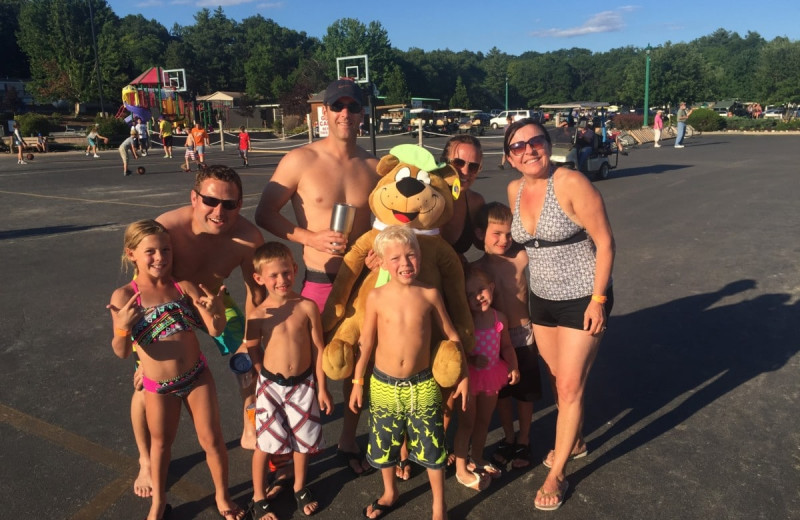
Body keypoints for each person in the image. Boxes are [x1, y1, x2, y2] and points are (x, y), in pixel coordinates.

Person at [255, 78, 379, 476]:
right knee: (300, 367)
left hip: (361, 281)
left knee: (358, 362)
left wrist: (381, 248)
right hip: (317, 281)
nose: (346, 113)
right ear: (324, 112)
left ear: (363, 113)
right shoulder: (300, 159)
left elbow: (389, 220)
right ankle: (285, 448)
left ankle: (346, 438)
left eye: (354, 106)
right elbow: (266, 213)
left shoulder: (375, 166)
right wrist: (311, 236)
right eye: (338, 106)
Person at [127, 166, 265, 499]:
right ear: (194, 198)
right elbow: (142, 283)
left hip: (213, 299)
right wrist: (143, 354)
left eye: (230, 204)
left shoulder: (248, 238)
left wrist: (250, 342)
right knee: (146, 386)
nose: (220, 211)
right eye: (210, 200)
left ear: (241, 204)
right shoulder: (168, 227)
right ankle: (146, 459)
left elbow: (255, 293)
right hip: (166, 307)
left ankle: (250, 424)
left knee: (249, 362)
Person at [504, 118, 615, 511]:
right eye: (519, 146)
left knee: (569, 387)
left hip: (582, 297)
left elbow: (605, 242)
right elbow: (520, 248)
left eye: (536, 141)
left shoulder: (570, 183)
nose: (529, 149)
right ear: (509, 158)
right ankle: (578, 441)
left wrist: (598, 300)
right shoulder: (514, 190)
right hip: (542, 300)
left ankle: (558, 472)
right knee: (555, 380)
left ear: (548, 145)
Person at [107, 220, 246, 520]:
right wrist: (121, 328)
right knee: (161, 445)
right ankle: (158, 502)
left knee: (212, 440)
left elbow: (215, 329)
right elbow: (120, 352)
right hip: (159, 388)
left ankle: (223, 495)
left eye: (165, 250)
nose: (160, 257)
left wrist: (216, 311)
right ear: (132, 254)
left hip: (197, 376)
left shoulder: (182, 287)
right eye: (151, 252)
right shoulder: (125, 296)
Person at [349, 226, 469, 520]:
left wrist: (463, 376)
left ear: (419, 256)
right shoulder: (376, 297)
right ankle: (390, 492)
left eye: (411, 255)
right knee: (385, 443)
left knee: (433, 447)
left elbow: (452, 335)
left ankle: (438, 506)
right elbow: (366, 342)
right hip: (383, 385)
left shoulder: (429, 294)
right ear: (381, 261)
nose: (405, 264)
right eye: (395, 259)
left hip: (423, 384)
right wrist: (356, 381)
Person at [245, 242, 332, 520]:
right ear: (259, 278)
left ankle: (299, 487)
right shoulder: (257, 315)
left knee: (303, 441)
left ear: (295, 269)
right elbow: (252, 348)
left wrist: (322, 387)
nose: (281, 280)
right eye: (273, 276)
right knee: (265, 444)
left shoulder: (306, 307)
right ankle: (259, 496)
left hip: (304, 384)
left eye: (286, 272)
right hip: (270, 385)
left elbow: (319, 347)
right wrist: (261, 376)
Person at [471, 202, 542, 470]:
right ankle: (509, 437)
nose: (504, 240)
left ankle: (524, 438)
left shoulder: (520, 257)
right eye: (496, 233)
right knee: (501, 392)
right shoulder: (476, 269)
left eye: (509, 234)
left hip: (522, 334)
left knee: (525, 392)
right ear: (480, 234)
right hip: (493, 338)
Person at [453, 266, 519, 486]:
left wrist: (513, 366)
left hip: (492, 375)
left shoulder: (500, 318)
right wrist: (471, 360)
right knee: (467, 423)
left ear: (491, 287)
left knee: (483, 420)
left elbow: (507, 347)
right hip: (469, 378)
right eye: (469, 295)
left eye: (480, 290)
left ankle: (478, 457)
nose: (477, 297)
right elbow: (456, 351)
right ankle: (460, 468)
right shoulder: (465, 323)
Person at [438, 135, 486, 259]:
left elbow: (484, 244)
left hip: (456, 275)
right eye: (458, 163)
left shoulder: (475, 202)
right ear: (444, 162)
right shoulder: (424, 194)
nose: (465, 171)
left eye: (473, 166)